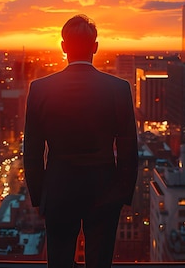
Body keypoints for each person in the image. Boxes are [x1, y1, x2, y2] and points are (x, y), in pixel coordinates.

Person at [23, 14, 138, 268]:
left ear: (63, 46)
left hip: (58, 189)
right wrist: (123, 194)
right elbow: (129, 149)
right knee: (99, 263)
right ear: (95, 46)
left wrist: (40, 196)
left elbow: (31, 151)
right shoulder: (118, 89)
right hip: (105, 190)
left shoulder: (41, 89)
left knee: (60, 263)